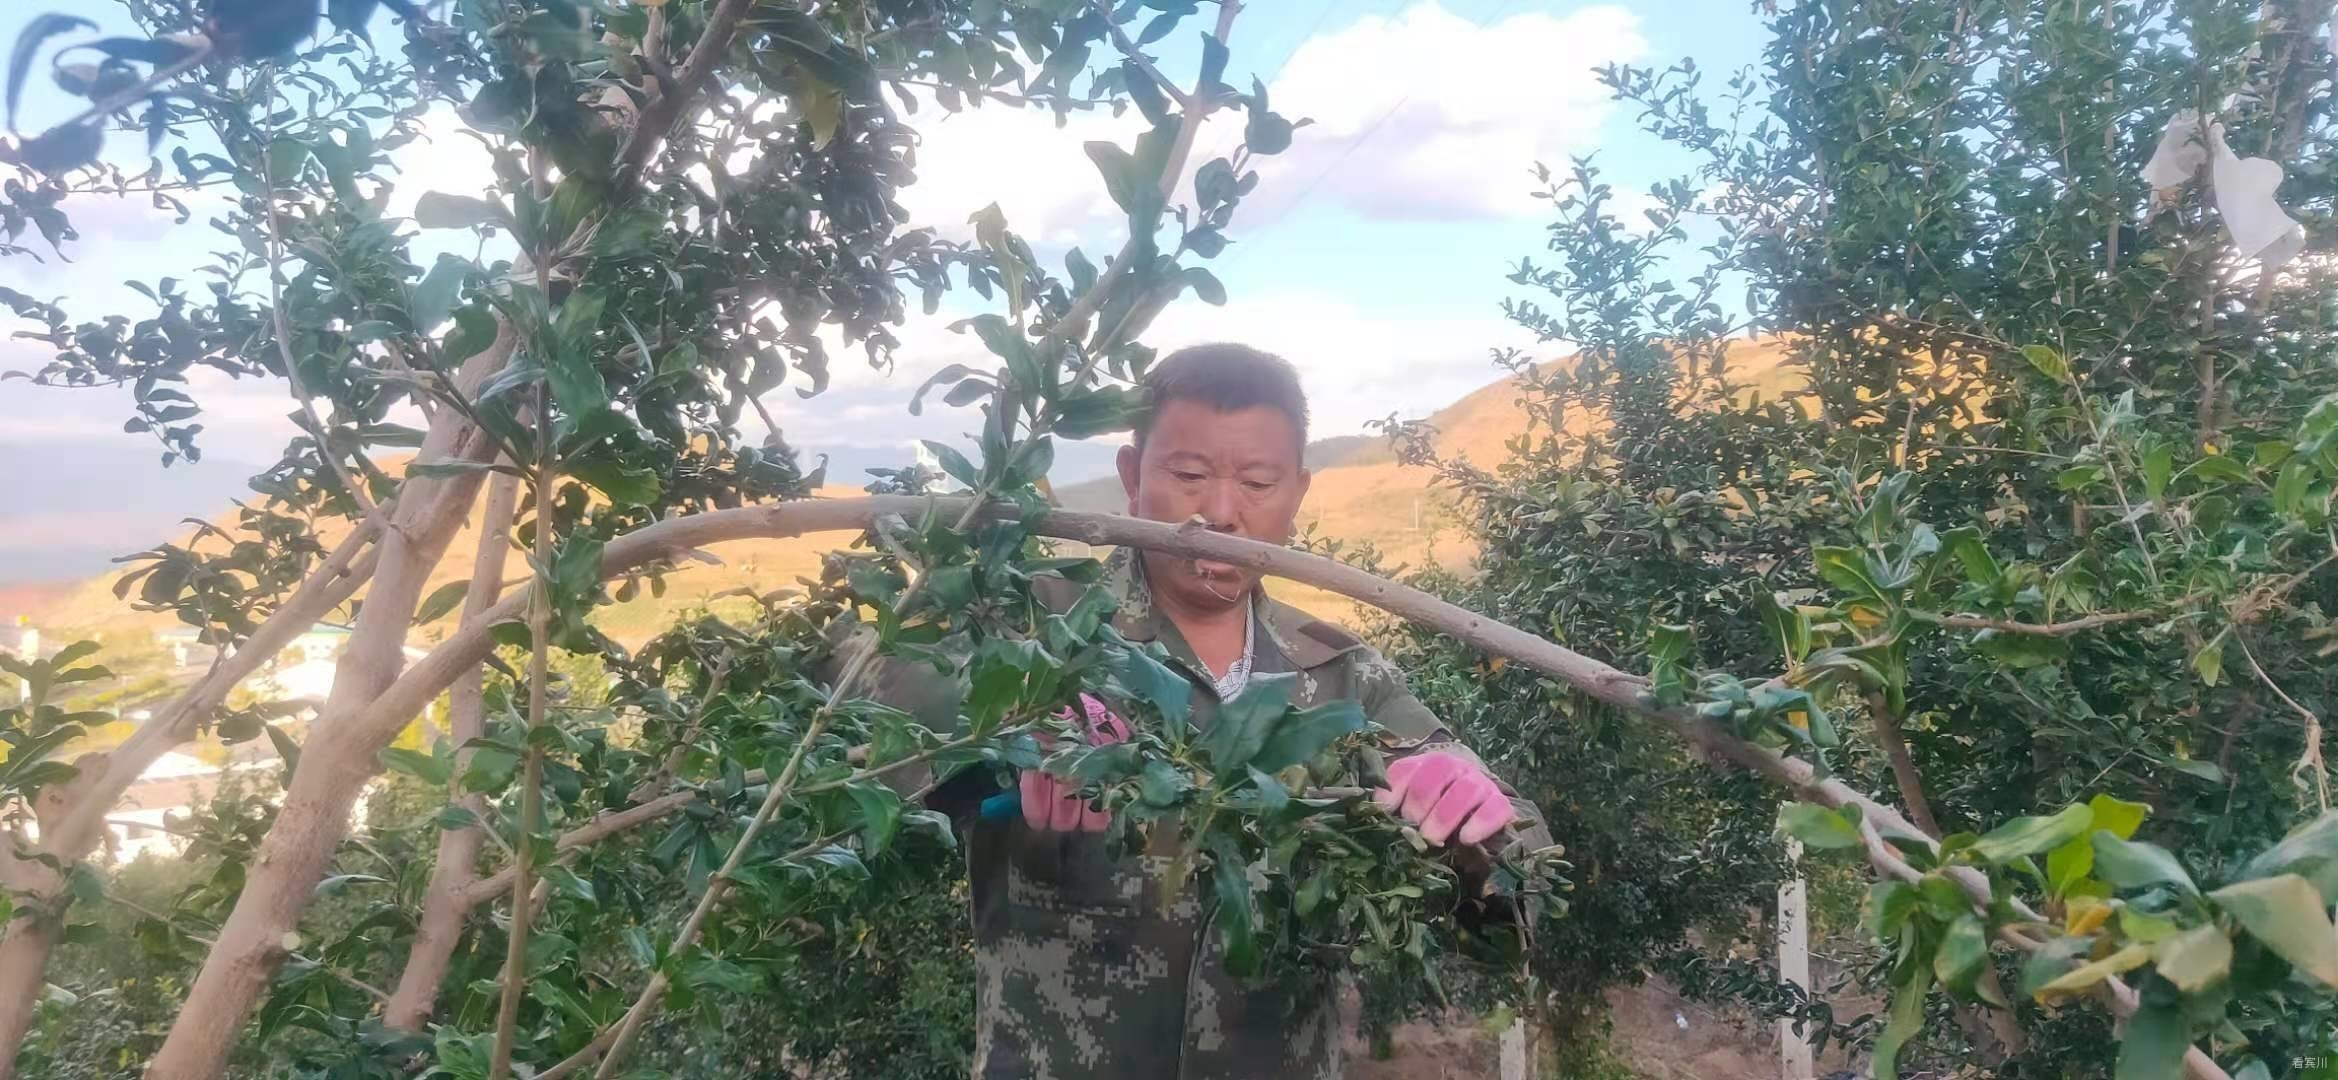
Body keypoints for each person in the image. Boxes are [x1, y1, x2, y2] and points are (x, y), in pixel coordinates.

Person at [850, 343, 1550, 1080]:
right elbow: (857, 693)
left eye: (1257, 482)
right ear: (1133, 476)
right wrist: (1014, 719)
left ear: (1297, 492)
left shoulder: (1345, 677)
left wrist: (1476, 822)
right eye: (1188, 476)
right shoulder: (1033, 627)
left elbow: (1519, 898)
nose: (1219, 513)